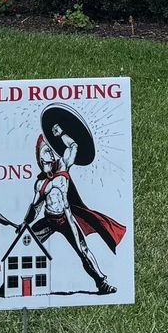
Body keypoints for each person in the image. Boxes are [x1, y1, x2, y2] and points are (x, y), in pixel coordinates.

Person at [23, 121, 122, 295]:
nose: (51, 156)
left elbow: (73, 146)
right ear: (40, 157)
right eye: (47, 152)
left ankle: (102, 283)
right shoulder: (40, 184)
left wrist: (60, 133)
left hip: (66, 218)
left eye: (51, 152)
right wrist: (25, 224)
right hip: (48, 219)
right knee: (25, 244)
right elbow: (35, 207)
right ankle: (11, 284)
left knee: (83, 250)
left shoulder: (63, 166)